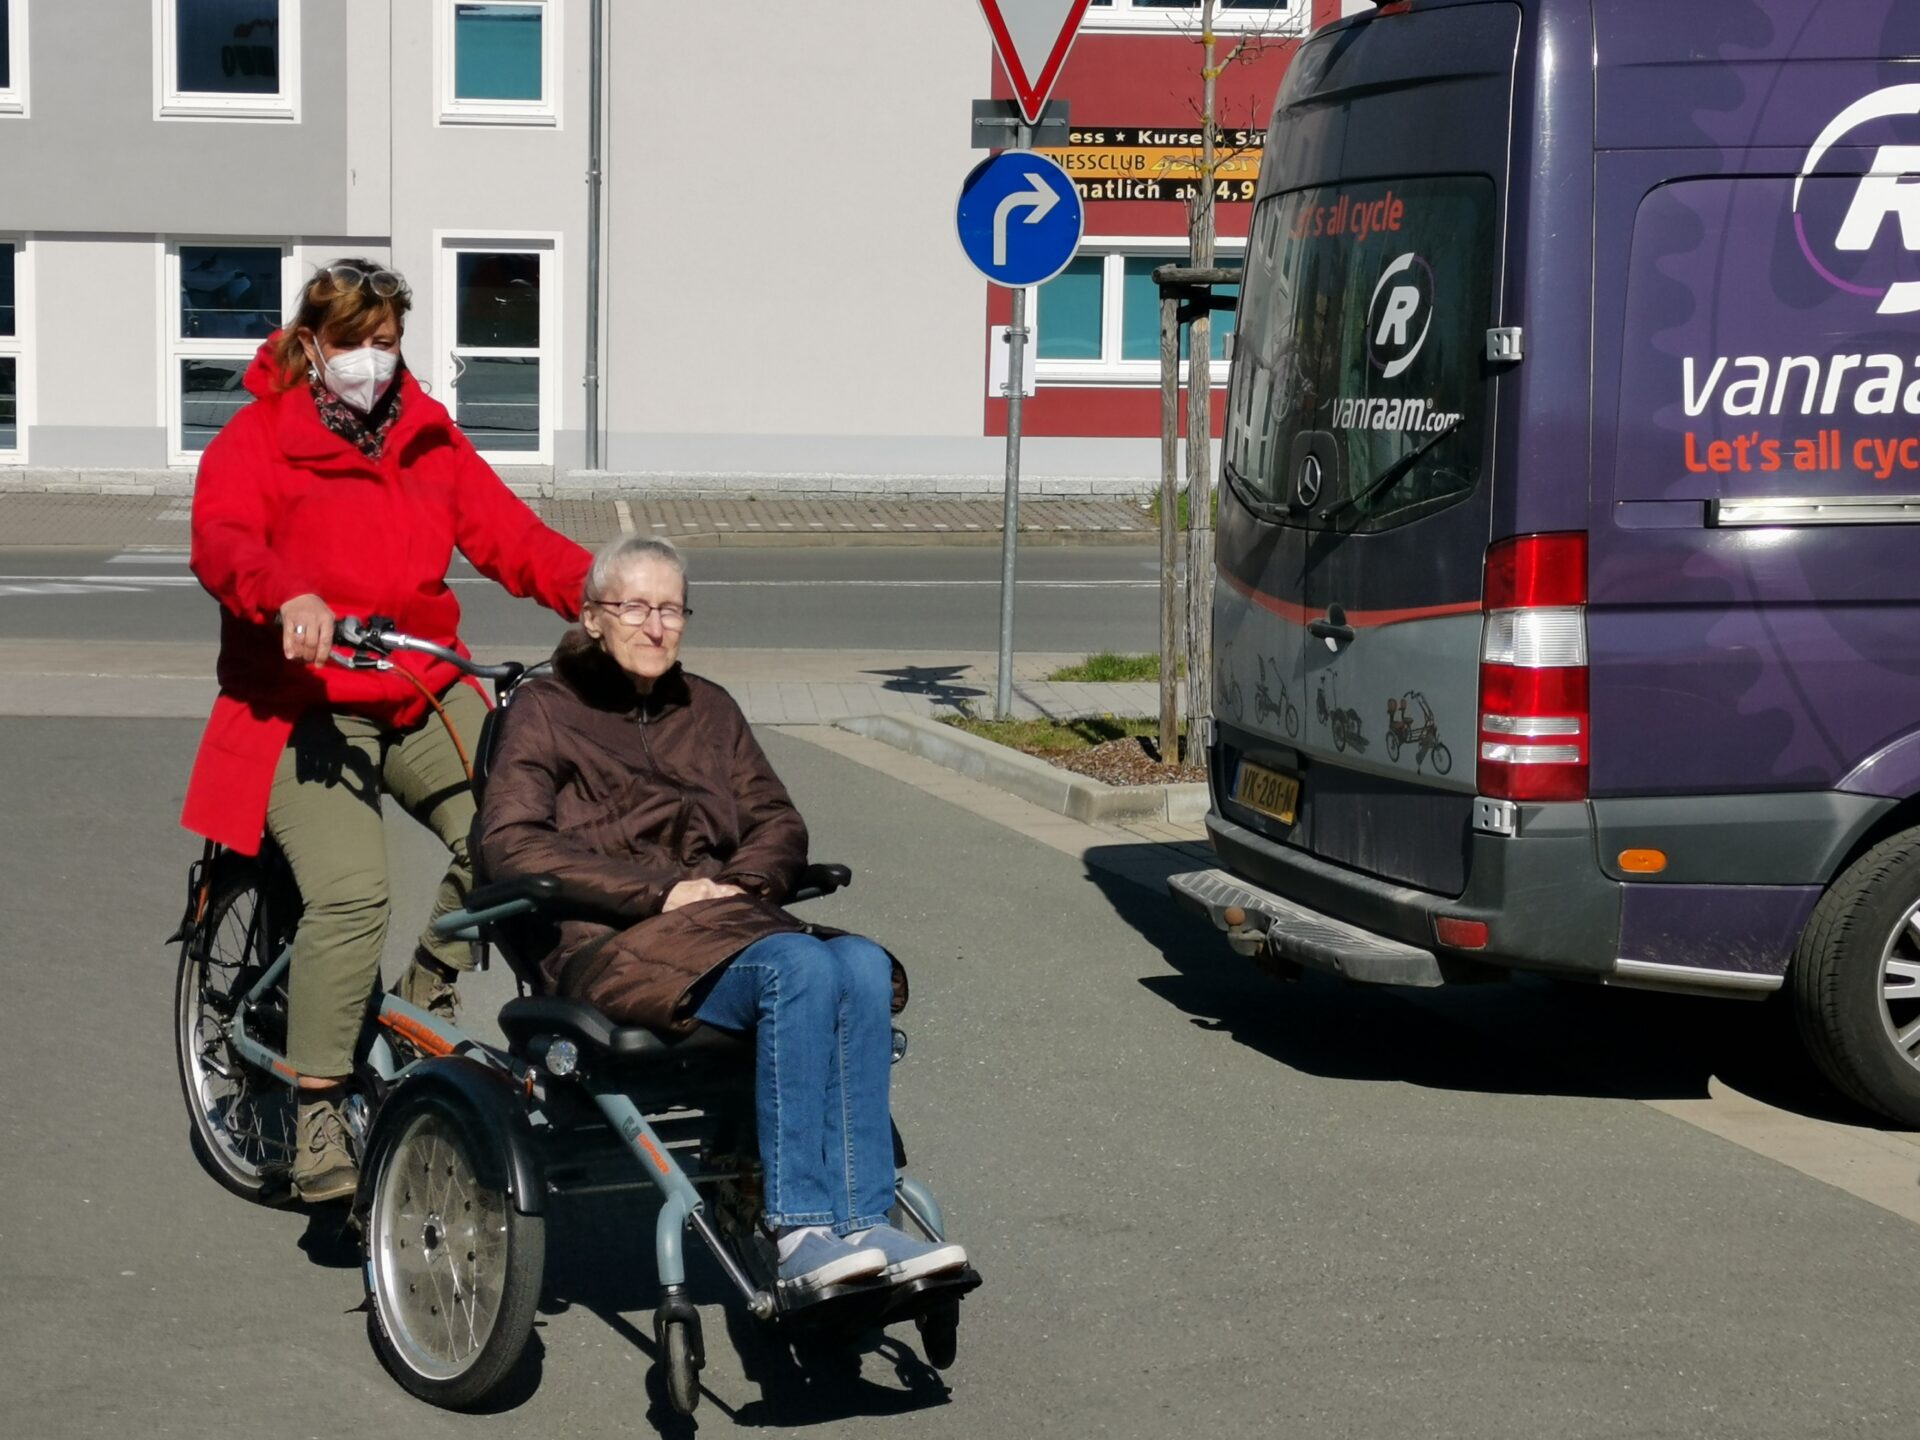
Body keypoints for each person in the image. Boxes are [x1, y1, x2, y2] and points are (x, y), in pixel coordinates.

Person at [183, 259, 591, 1204]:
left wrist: (608, 596)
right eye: (354, 343)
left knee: (515, 840)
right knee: (352, 894)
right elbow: (224, 540)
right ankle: (316, 1101)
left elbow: (513, 540)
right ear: (310, 347)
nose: (373, 360)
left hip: (414, 682)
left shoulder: (427, 439)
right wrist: (283, 593)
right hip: (300, 701)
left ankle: (428, 990)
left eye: (388, 341)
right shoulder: (258, 440)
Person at [476, 536, 970, 1299]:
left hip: (722, 930)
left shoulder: (707, 707)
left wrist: (740, 886)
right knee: (801, 966)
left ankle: (865, 1219)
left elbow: (776, 819)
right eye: (634, 606)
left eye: (670, 608)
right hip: (607, 947)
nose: (654, 626)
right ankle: (800, 1227)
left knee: (864, 963)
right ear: (592, 617)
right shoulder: (545, 710)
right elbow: (510, 844)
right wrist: (659, 893)